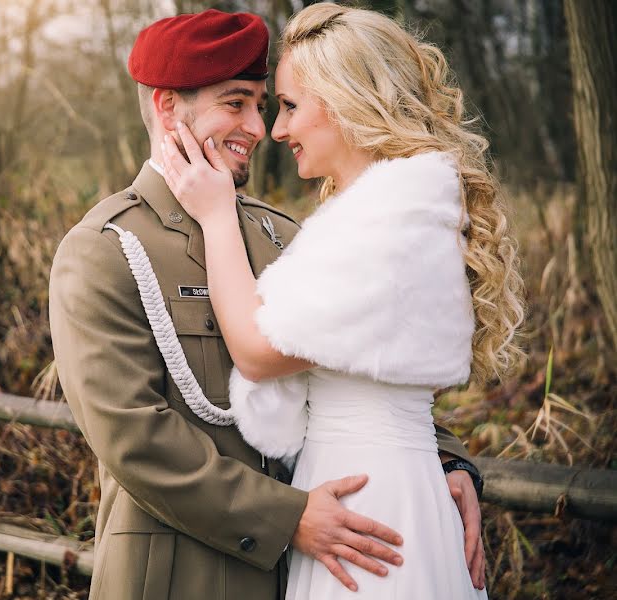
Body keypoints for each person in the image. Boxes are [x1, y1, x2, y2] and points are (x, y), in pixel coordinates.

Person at [49, 8, 487, 600]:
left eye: (263, 103)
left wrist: (450, 463)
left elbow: (365, 357)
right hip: (182, 576)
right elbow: (133, 438)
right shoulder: (103, 250)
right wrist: (288, 518)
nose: (258, 127)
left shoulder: (282, 233)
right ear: (166, 106)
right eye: (236, 104)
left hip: (320, 567)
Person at [160, 4, 525, 599]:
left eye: (291, 106)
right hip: (369, 492)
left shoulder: (389, 225)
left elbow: (256, 353)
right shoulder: (389, 215)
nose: (276, 130)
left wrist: (215, 214)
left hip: (371, 506)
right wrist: (454, 467)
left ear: (349, 101)